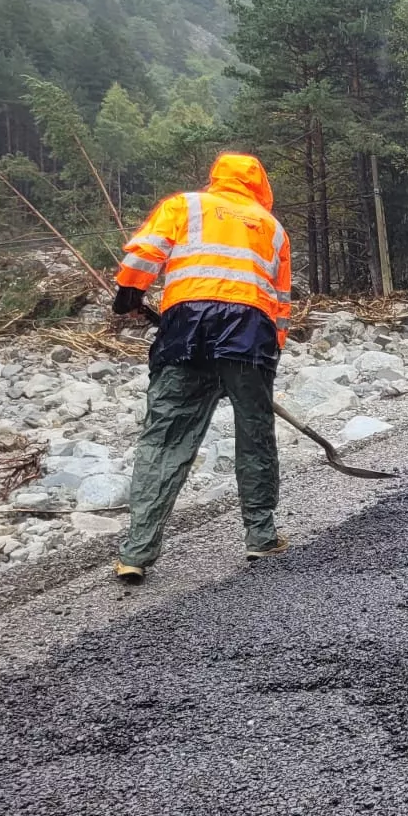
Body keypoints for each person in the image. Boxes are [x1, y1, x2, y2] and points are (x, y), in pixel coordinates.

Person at [110, 153, 295, 583]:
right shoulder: (272, 229)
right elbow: (280, 305)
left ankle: (136, 551)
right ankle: (261, 537)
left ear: (216, 178)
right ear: (260, 185)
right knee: (255, 435)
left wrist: (128, 295)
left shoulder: (185, 206)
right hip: (251, 335)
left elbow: (142, 258)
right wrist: (268, 359)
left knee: (164, 438)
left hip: (185, 330)